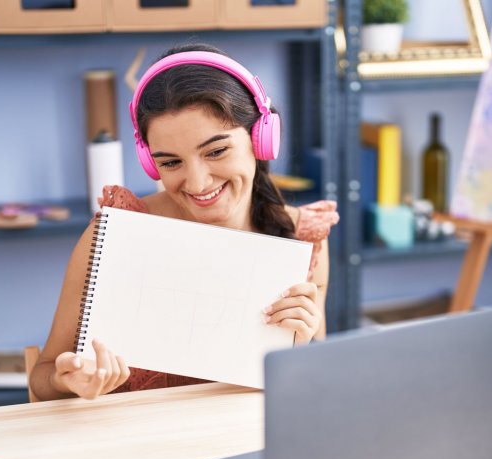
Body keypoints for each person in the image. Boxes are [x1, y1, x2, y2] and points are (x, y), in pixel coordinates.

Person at [29, 43, 339, 401]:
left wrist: (306, 344)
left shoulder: (305, 237)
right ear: (151, 163)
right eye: (171, 163)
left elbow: (314, 393)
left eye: (216, 151)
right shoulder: (118, 233)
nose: (197, 183)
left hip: (244, 446)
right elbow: (43, 375)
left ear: (261, 139)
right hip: (140, 446)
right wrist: (68, 381)